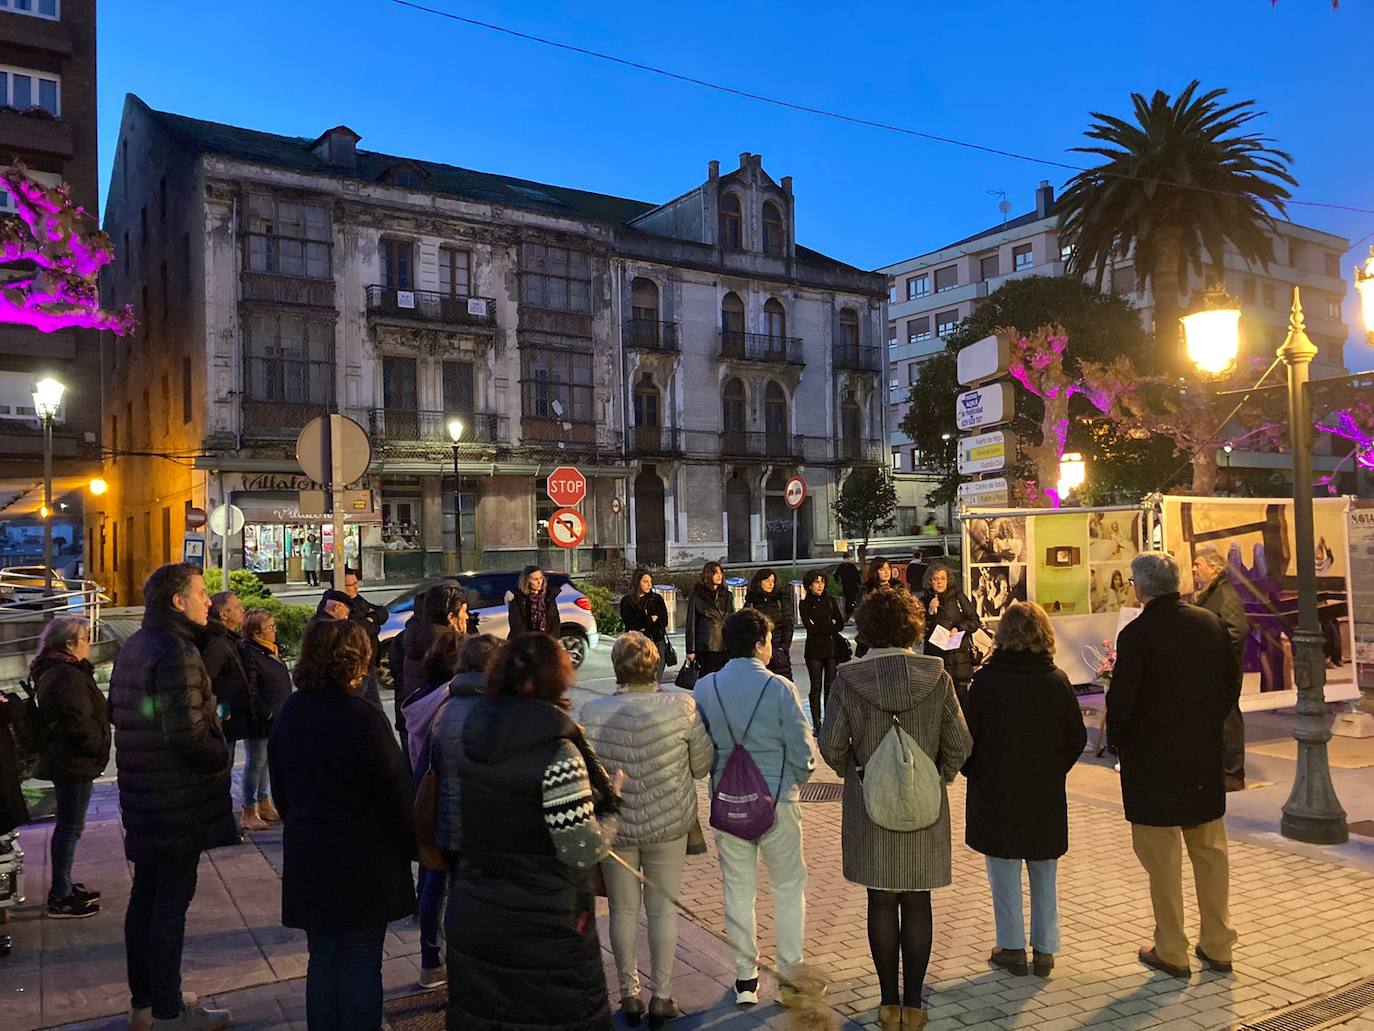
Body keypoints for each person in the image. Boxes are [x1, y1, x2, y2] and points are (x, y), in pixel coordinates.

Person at [444, 633, 622, 1031]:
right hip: (544, 924)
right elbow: (580, 848)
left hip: (477, 906)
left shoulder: (476, 729)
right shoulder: (558, 751)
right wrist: (612, 810)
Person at [818, 588, 971, 1031]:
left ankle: (888, 1004)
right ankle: (915, 1005)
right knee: (918, 900)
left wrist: (861, 772)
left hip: (871, 806)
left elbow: (830, 747)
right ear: (913, 627)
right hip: (925, 808)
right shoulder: (937, 674)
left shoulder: (848, 679)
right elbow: (961, 743)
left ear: (866, 628)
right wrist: (936, 776)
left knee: (881, 901)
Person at [268, 618, 416, 1031]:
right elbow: (395, 793)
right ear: (356, 661)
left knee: (324, 957)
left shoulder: (292, 711)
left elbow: (281, 789)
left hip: (310, 851)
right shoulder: (363, 718)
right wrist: (414, 846)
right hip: (363, 861)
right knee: (359, 960)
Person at [110, 562, 236, 1030]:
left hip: (145, 794)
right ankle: (167, 1012)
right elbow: (187, 734)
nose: (209, 601)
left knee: (146, 898)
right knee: (168, 905)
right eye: (201, 593)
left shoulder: (138, 644)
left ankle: (147, 999)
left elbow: (123, 712)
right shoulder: (176, 650)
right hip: (174, 798)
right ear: (176, 601)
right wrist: (219, 753)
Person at [1107, 552, 1240, 979]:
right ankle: (1218, 943)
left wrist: (1120, 745)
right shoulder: (1209, 623)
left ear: (1141, 588)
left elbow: (1122, 702)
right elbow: (1230, 686)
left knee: (1162, 861)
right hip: (1201, 756)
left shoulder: (1137, 634)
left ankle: (1172, 948)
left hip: (1153, 763)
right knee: (1210, 853)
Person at [582, 632, 713, 1027]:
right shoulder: (683, 706)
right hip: (669, 820)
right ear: (654, 666)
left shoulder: (591, 712)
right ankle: (662, 996)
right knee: (662, 911)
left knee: (622, 910)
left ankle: (629, 996)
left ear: (617, 667)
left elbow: (590, 777)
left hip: (617, 826)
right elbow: (702, 765)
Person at [695, 609, 815, 1007]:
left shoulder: (706, 687)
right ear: (761, 644)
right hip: (778, 800)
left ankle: (746, 979)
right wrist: (796, 782)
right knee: (787, 888)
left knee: (738, 891)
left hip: (728, 802)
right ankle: (790, 976)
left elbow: (702, 749)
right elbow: (802, 751)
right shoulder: (781, 688)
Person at [963, 602, 1086, 980]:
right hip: (1043, 793)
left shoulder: (985, 681)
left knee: (1003, 871)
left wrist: (975, 771)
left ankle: (1012, 947)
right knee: (1044, 872)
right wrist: (1052, 769)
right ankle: (1045, 949)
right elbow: (1076, 737)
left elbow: (966, 739)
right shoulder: (1057, 680)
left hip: (996, 789)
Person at [428, 633, 501, 995]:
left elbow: (432, 768)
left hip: (452, 827)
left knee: (458, 904)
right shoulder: (496, 711)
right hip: (489, 831)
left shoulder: (445, 710)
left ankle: (459, 973)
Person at [31, 616, 109, 919]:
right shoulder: (65, 675)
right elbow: (78, 721)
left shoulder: (59, 671)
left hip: (71, 758)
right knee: (69, 828)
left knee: (69, 826)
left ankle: (63, 886)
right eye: (85, 638)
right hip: (74, 760)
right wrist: (95, 746)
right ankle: (60, 896)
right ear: (69, 644)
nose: (89, 643)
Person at [1192, 548, 1249, 791]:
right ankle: (1222, 770)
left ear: (1214, 568)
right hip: (1214, 669)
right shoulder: (1212, 593)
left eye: (1198, 564)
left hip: (1224, 670)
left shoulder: (1225, 595)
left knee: (1228, 720)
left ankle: (1233, 774)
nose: (1194, 569)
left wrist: (1212, 653)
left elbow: (1237, 630)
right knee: (1218, 719)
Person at [237, 608, 294, 820]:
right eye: (269, 627)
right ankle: (249, 809)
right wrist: (266, 713)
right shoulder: (251, 654)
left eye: (273, 626)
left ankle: (264, 802)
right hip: (261, 720)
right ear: (255, 633)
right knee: (255, 762)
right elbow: (250, 688)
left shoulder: (270, 650)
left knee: (267, 762)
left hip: (275, 716)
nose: (274, 631)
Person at [920, 564, 982, 708]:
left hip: (958, 657)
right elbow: (918, 629)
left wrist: (958, 628)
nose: (940, 582)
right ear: (930, 581)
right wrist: (929, 612)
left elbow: (974, 621)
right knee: (939, 703)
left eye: (943, 578)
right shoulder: (924, 600)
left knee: (961, 704)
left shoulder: (958, 597)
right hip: (936, 657)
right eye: (935, 579)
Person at [798, 570, 846, 727]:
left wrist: (825, 625)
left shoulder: (830, 601)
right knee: (816, 686)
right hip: (813, 650)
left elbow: (839, 624)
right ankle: (817, 722)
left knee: (831, 687)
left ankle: (829, 721)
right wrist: (828, 624)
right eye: (816, 582)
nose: (820, 585)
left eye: (822, 582)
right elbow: (811, 628)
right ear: (809, 585)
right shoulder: (804, 603)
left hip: (831, 649)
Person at [619, 567, 670, 679]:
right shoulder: (627, 601)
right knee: (639, 679)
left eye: (650, 582)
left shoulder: (656, 599)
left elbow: (663, 621)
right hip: (636, 644)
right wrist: (649, 620)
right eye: (645, 582)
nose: (649, 585)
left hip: (656, 642)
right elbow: (631, 623)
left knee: (656, 678)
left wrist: (647, 626)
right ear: (637, 582)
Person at [685, 560, 733, 676]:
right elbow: (691, 623)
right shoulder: (697, 596)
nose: (719, 576)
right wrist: (690, 650)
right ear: (708, 574)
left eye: (720, 573)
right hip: (707, 645)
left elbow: (731, 618)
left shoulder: (727, 595)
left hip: (725, 644)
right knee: (708, 678)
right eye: (716, 573)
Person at [745, 567, 794, 677]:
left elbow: (788, 625)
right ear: (759, 582)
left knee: (784, 685)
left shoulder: (779, 601)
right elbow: (747, 628)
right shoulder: (751, 602)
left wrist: (783, 647)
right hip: (759, 653)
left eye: (772, 581)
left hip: (779, 652)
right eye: (767, 581)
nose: (770, 584)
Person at [856, 557, 903, 658]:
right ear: (875, 571)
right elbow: (860, 613)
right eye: (882, 569)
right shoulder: (866, 589)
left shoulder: (897, 587)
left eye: (888, 568)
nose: (886, 572)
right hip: (871, 634)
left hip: (893, 633)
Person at [508, 565, 562, 637]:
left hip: (545, 639)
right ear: (527, 581)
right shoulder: (518, 597)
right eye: (535, 579)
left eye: (541, 578)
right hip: (524, 640)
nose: (539, 582)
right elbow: (516, 624)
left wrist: (551, 639)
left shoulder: (548, 596)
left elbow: (555, 620)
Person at [834, 553, 862, 617]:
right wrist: (859, 583)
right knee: (853, 599)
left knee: (848, 600)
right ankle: (853, 612)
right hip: (852, 585)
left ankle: (849, 612)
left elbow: (836, 576)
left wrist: (838, 581)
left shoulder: (841, 566)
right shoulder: (851, 566)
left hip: (846, 585)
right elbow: (857, 575)